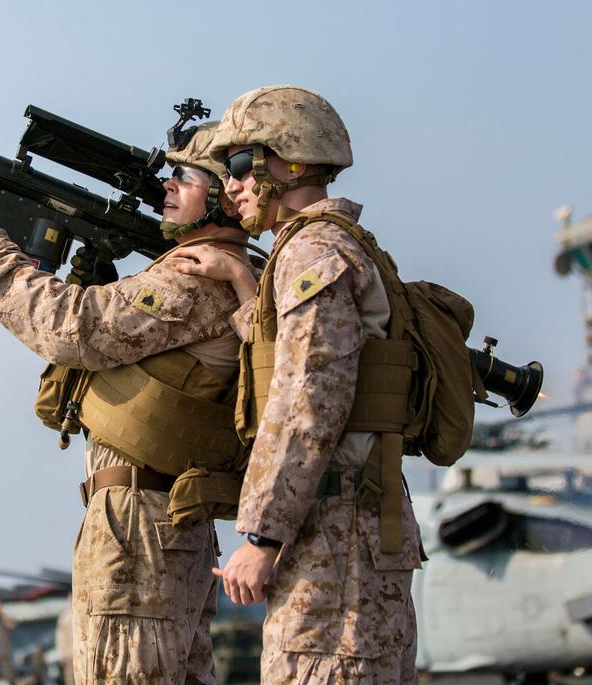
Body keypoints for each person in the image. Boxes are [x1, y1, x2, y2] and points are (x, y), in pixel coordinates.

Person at [0, 121, 255, 685]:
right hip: (157, 520)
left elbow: (74, 328)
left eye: (186, 177)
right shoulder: (211, 277)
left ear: (224, 196)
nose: (168, 188)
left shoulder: (195, 279)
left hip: (139, 525)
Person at [177, 85, 423, 683]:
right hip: (348, 534)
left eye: (238, 166)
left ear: (288, 163)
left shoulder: (311, 252)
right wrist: (240, 280)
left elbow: (308, 398)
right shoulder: (330, 249)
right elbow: (292, 358)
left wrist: (262, 535)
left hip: (335, 542)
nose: (229, 185)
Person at [55, 597, 74, 685]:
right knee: (70, 680)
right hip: (69, 655)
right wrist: (61, 654)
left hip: (83, 655)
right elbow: (60, 636)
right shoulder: (65, 615)